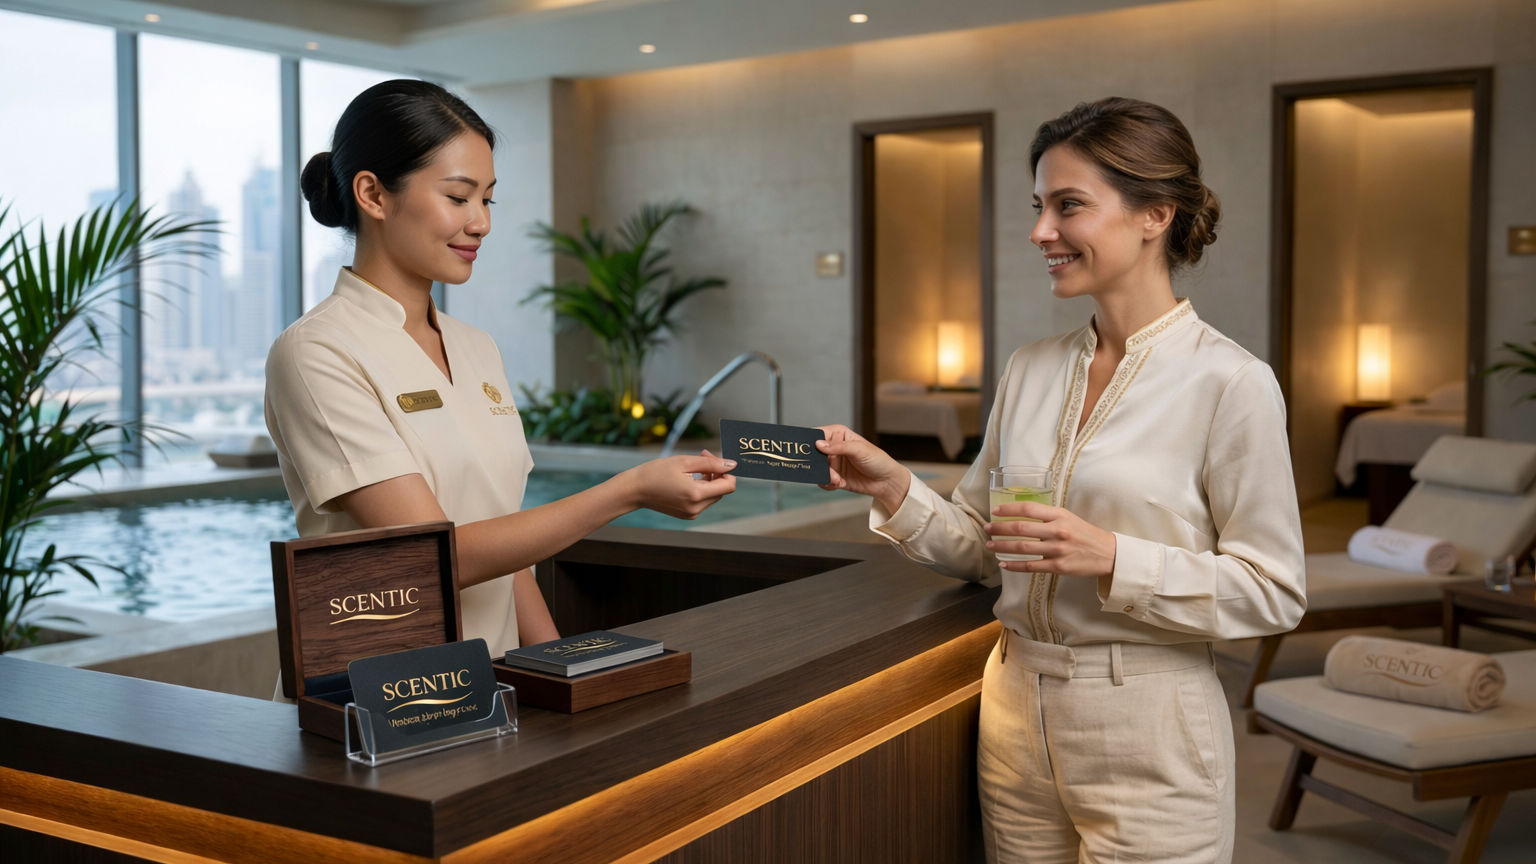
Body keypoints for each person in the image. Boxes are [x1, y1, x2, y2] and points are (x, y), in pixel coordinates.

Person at [815, 98, 1305, 863]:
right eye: (1040, 206)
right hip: (1010, 713)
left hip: (1151, 720)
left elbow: (1274, 590)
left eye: (1068, 205)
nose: (1042, 231)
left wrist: (1113, 555)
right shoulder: (1029, 369)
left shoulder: (1231, 383)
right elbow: (987, 549)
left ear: (1155, 215)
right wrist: (892, 486)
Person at [264, 80, 735, 670]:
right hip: (384, 708)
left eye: (488, 200)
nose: (481, 223)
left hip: (493, 698)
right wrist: (630, 491)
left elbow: (506, 549)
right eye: (459, 197)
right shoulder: (317, 352)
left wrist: (559, 673)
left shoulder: (476, 348)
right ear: (373, 194)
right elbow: (435, 558)